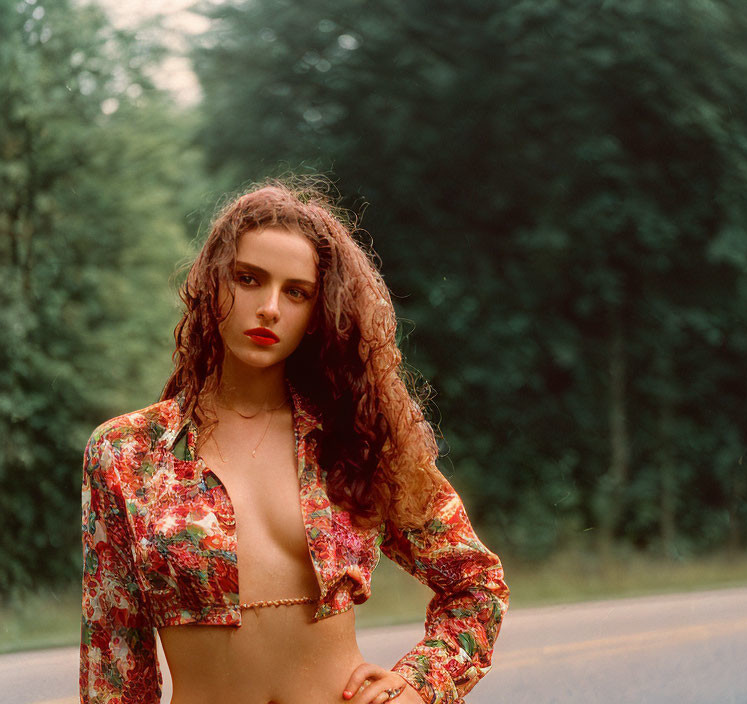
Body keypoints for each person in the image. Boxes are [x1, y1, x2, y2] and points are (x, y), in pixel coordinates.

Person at [79, 180, 510, 704]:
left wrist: (422, 685)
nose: (269, 308)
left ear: (316, 313)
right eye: (249, 279)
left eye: (296, 291)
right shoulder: (126, 452)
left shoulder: (356, 437)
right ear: (212, 284)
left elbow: (475, 584)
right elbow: (115, 657)